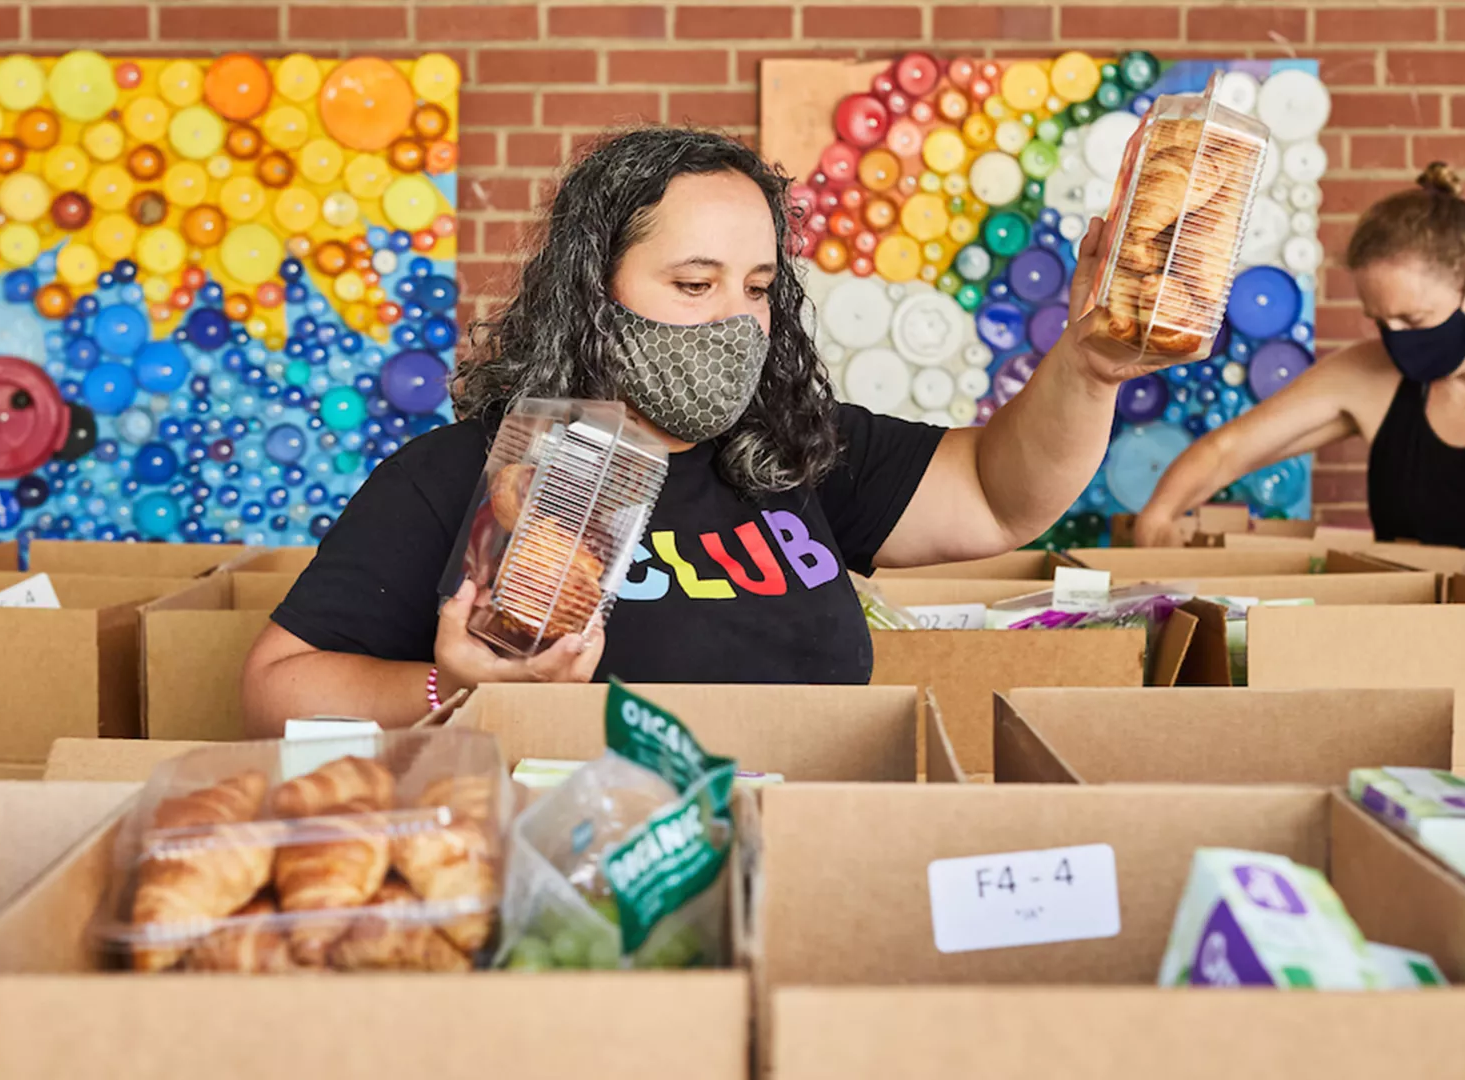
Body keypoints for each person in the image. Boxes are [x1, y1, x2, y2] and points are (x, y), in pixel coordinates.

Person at [242, 126, 1159, 734]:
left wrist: (1087, 366)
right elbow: (278, 686)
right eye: (694, 284)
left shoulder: (795, 449)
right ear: (593, 290)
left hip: (812, 858)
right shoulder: (463, 476)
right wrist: (457, 689)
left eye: (758, 288)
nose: (735, 318)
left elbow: (1001, 499)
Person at [1135, 163, 1465, 549]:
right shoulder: (1373, 376)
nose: (1397, 339)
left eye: (1414, 319)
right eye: (1380, 321)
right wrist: (1159, 515)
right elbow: (1228, 450)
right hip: (1409, 639)